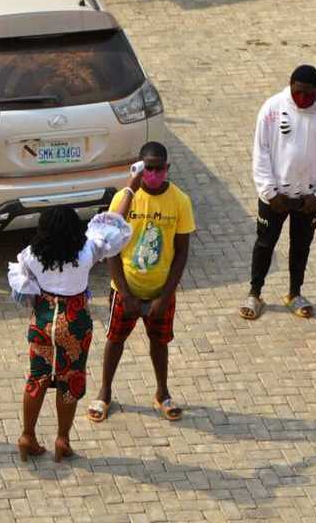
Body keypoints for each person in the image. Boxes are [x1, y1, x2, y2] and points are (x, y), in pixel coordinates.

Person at [8, 179, 137, 462]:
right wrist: (130, 187)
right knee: (70, 381)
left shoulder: (31, 255)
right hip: (75, 323)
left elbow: (23, 281)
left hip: (42, 322)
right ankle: (62, 440)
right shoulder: (86, 252)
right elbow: (114, 223)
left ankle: (27, 435)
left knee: (37, 377)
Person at [88, 142, 195, 424]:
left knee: (159, 343)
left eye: (160, 168)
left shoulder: (180, 201)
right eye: (149, 167)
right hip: (125, 291)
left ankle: (162, 393)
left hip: (161, 292)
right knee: (115, 340)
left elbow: (182, 251)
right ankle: (105, 392)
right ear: (139, 168)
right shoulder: (124, 200)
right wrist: (124, 293)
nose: (154, 172)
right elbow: (111, 247)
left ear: (167, 168)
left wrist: (165, 295)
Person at [240, 65, 316, 320]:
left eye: (310, 95)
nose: (304, 100)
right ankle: (254, 293)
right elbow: (261, 152)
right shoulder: (272, 109)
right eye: (299, 93)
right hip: (275, 196)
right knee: (265, 244)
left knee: (301, 246)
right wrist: (270, 192)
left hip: (308, 198)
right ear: (290, 86)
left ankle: (294, 293)